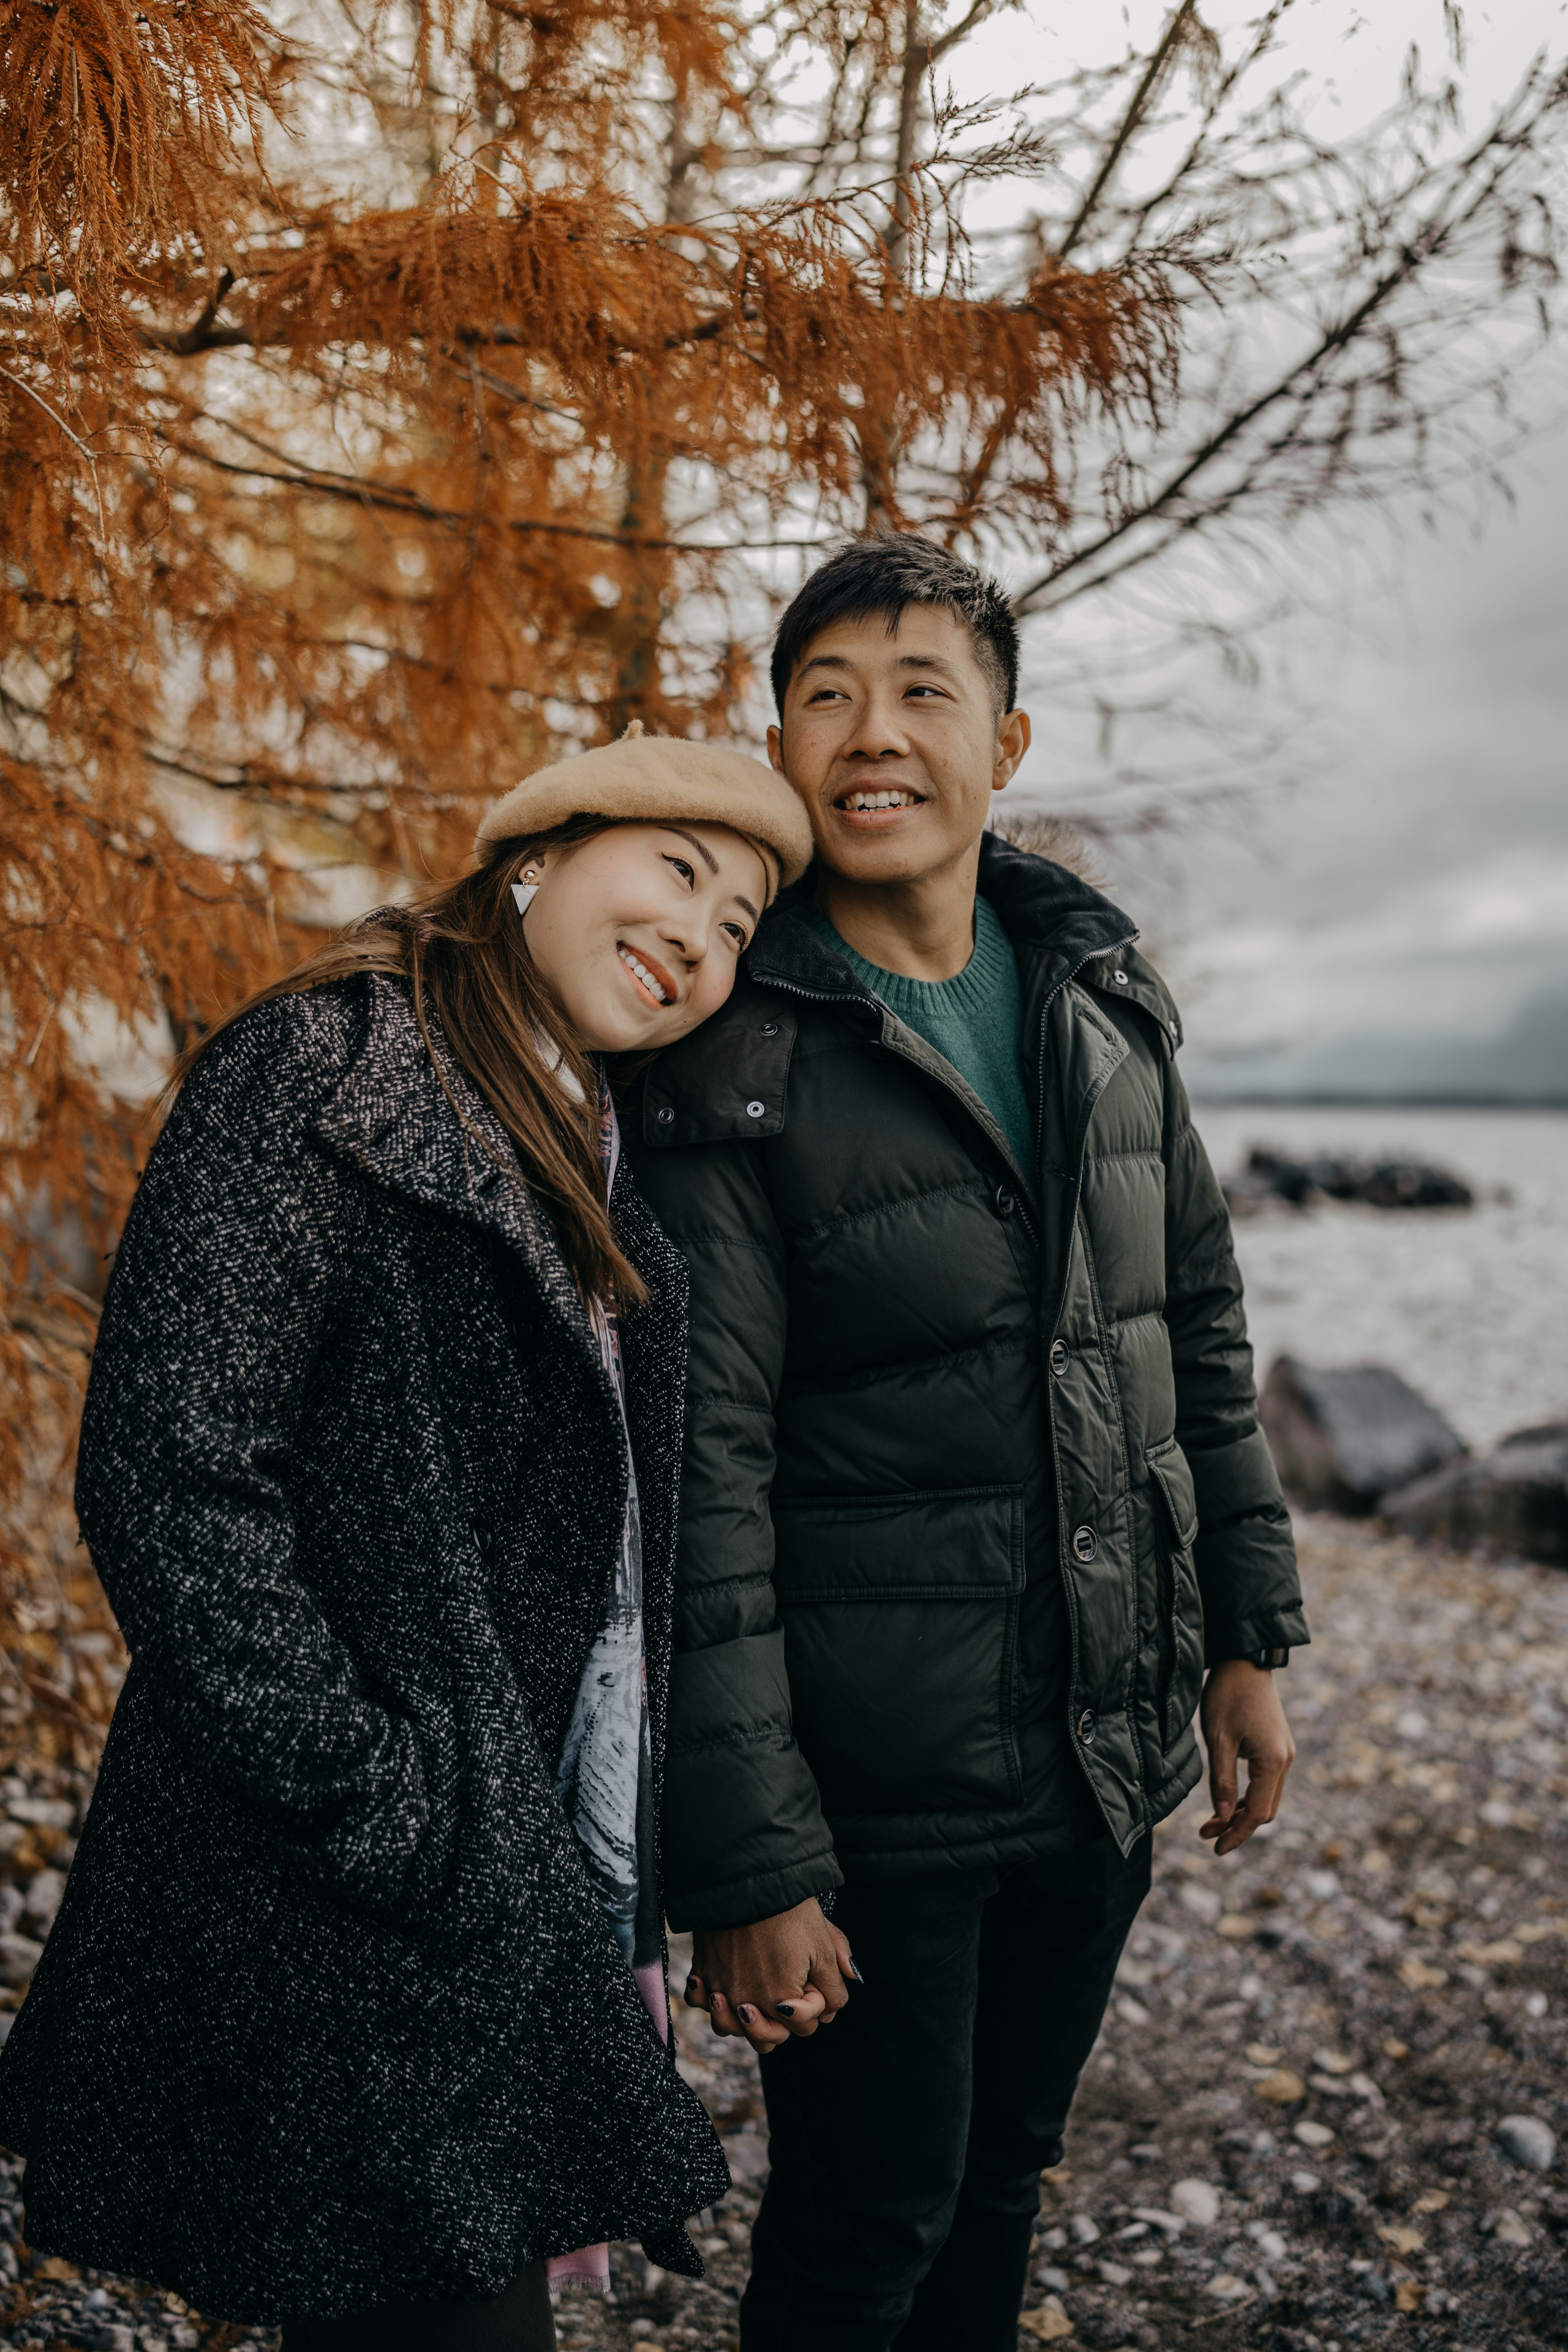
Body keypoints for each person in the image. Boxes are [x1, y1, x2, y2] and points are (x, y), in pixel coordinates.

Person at [0, 728, 813, 2350]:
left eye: (736, 925)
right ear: (536, 860)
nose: (698, 937)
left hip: (491, 1872)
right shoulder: (328, 1066)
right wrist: (388, 1800)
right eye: (677, 871)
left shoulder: (573, 1136)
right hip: (358, 1873)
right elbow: (174, 1473)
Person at [619, 538, 1310, 2351]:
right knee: (866, 2232)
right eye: (828, 697)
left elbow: (1195, 1329)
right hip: (875, 1788)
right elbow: (698, 1481)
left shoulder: (1098, 990)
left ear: (1006, 743)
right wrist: (753, 1861)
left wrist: (1246, 1635)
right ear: (783, 748)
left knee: (1004, 2177)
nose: (874, 735)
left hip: (1097, 1745)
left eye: (923, 692)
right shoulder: (733, 1048)